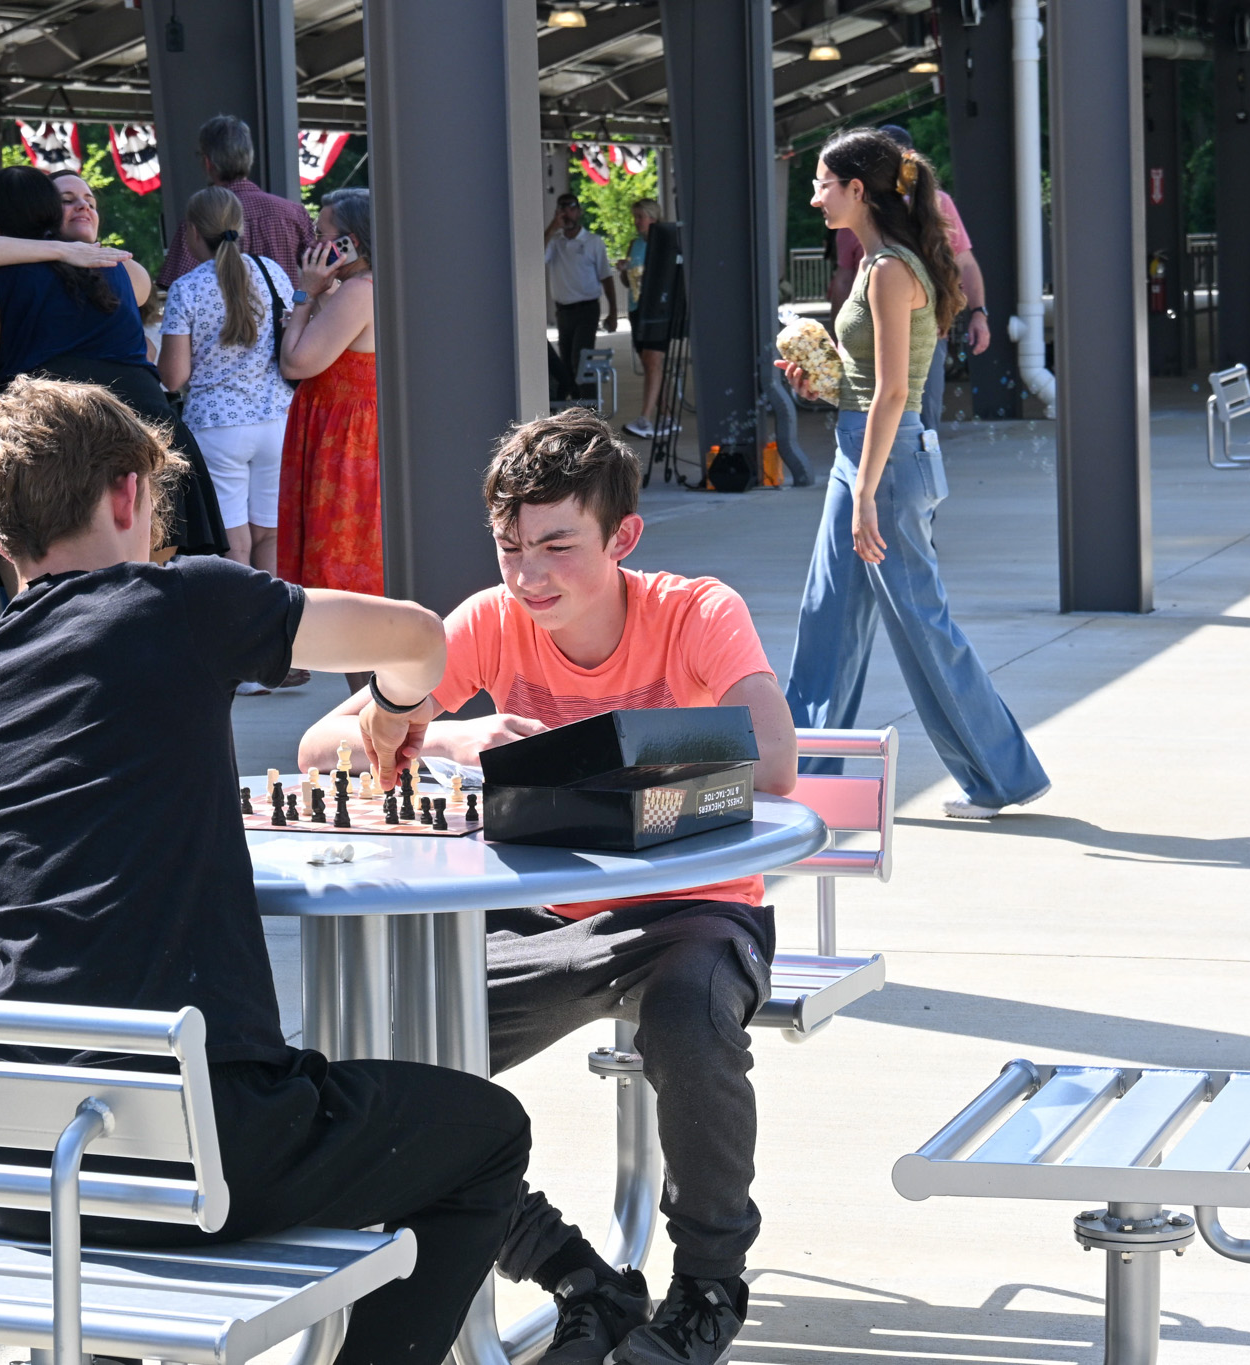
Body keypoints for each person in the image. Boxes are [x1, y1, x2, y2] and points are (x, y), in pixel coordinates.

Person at [0, 374, 532, 1365]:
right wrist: (392, 710)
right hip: (199, 1139)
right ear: (129, 494)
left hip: (20, 1151)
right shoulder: (177, 604)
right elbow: (419, 637)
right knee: (486, 1134)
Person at [297, 408, 800, 1365]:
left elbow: (773, 757)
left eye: (557, 546)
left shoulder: (697, 612)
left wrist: (597, 757)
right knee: (388, 1075)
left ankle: (708, 1286)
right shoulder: (489, 621)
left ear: (623, 536)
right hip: (541, 919)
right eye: (510, 546)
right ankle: (577, 1273)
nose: (529, 575)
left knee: (689, 1020)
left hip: (696, 909)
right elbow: (322, 746)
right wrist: (455, 735)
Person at [780, 128, 1049, 820]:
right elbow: (867, 383)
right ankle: (801, 777)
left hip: (887, 463)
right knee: (826, 622)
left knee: (923, 627)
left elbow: (896, 391)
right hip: (862, 451)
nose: (814, 198)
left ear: (857, 190)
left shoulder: (890, 271)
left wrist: (866, 490)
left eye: (821, 184)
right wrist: (821, 385)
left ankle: (1002, 777)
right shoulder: (877, 263)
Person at [0, 165, 227, 564]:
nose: (83, 207)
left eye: (90, 201)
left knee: (37, 584)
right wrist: (67, 251)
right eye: (67, 200)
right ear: (48, 214)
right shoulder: (119, 271)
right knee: (151, 583)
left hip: (46, 427)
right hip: (146, 422)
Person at [157, 187, 293, 574]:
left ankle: (241, 612)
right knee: (270, 536)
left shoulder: (186, 288)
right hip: (276, 422)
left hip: (216, 429)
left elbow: (174, 377)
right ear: (240, 226)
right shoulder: (272, 273)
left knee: (235, 543)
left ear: (192, 232)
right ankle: (273, 610)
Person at [826, 125, 992, 431]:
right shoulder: (855, 212)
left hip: (924, 331)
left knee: (915, 424)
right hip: (873, 334)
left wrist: (979, 313)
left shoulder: (934, 204)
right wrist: (840, 337)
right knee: (874, 417)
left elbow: (965, 263)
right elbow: (844, 279)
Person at [276, 188, 378, 608]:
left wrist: (304, 294)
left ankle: (348, 647)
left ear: (350, 242)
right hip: (344, 433)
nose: (313, 244)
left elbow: (295, 363)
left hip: (343, 442)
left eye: (322, 234)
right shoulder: (362, 287)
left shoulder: (359, 291)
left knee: (338, 558)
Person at [157, 113, 316, 289]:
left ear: (207, 162)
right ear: (249, 157)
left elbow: (175, 285)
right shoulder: (294, 213)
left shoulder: (200, 217)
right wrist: (302, 299)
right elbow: (323, 273)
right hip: (288, 308)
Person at [544, 192, 618, 402]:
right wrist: (552, 227)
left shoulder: (593, 242)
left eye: (571, 209)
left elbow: (606, 277)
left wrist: (613, 312)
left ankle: (590, 406)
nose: (567, 214)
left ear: (579, 212)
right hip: (563, 310)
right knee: (566, 364)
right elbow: (535, 256)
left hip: (587, 309)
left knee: (581, 359)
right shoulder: (554, 242)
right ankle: (577, 405)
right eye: (562, 209)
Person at [620, 198, 668, 438]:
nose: (636, 221)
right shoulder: (634, 244)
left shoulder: (665, 244)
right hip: (637, 307)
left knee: (652, 361)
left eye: (640, 217)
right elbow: (626, 282)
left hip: (657, 310)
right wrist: (623, 270)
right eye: (635, 217)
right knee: (650, 364)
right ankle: (666, 414)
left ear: (653, 217)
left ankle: (645, 418)